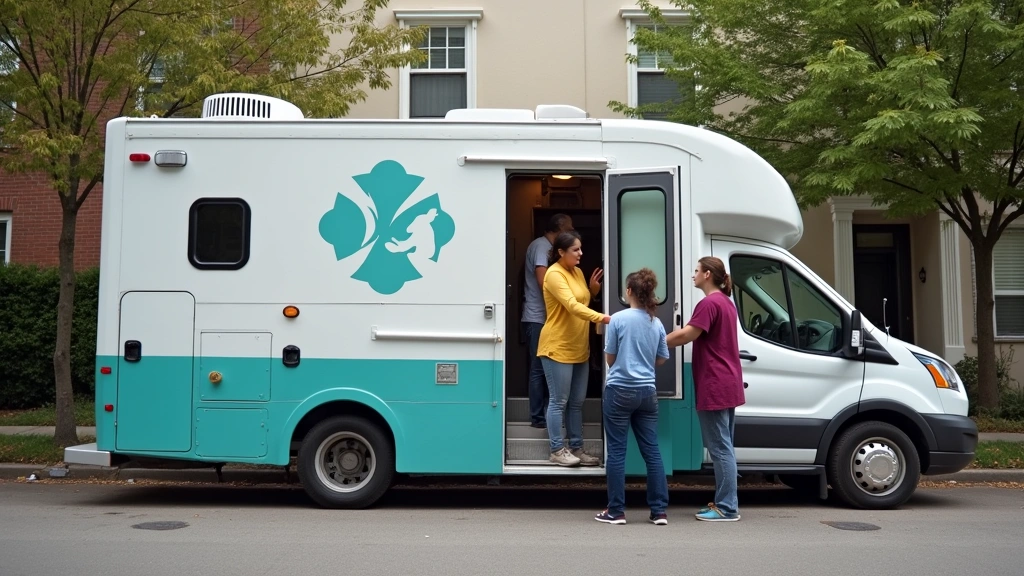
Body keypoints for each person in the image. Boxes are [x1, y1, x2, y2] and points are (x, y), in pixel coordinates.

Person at [666, 256, 744, 522]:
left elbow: (688, 334)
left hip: (714, 382)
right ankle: (727, 503)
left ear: (708, 274)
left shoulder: (709, 303)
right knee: (726, 446)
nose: (693, 275)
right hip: (727, 381)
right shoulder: (726, 302)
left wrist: (653, 340)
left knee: (720, 448)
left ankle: (727, 507)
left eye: (697, 271)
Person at [594, 268, 670, 526]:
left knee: (616, 452)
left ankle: (616, 511)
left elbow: (610, 358)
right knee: (652, 451)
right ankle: (659, 511)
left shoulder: (618, 319)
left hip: (619, 390)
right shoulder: (656, 322)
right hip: (647, 393)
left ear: (629, 292)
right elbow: (660, 360)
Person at [537, 230, 610, 466]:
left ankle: (576, 448)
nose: (581, 253)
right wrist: (606, 318)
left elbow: (582, 301)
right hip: (557, 346)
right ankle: (557, 450)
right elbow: (572, 306)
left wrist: (593, 293)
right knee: (559, 401)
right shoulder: (554, 274)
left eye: (580, 248)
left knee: (577, 402)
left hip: (580, 347)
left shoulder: (577, 272)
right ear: (561, 252)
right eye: (575, 250)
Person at [521, 213, 574, 428]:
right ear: (559, 229)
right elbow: (544, 282)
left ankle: (544, 414)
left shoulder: (545, 247)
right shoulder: (542, 248)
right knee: (538, 368)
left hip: (545, 318)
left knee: (544, 368)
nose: (571, 232)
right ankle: (538, 417)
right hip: (538, 318)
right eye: (569, 229)